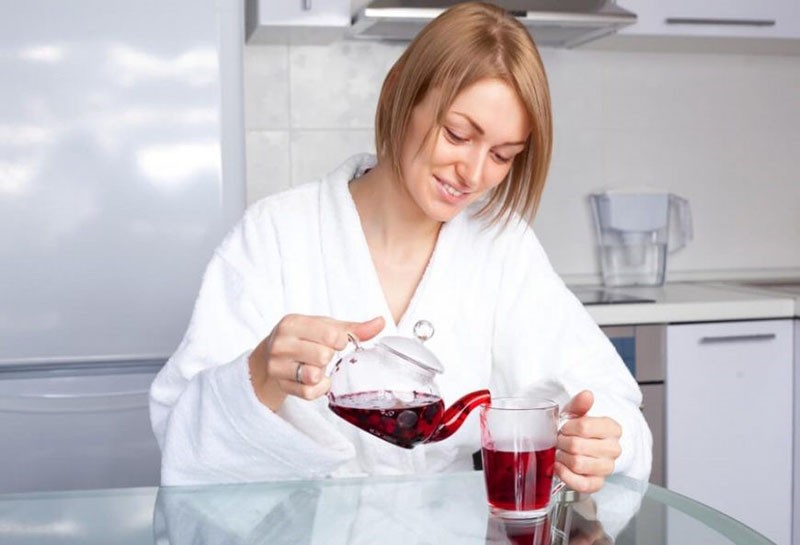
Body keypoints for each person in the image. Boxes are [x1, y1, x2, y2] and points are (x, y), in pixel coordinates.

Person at [149, 1, 652, 491]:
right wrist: (261, 370)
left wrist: (604, 441)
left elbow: (612, 403)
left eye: (502, 155)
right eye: (457, 135)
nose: (474, 175)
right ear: (398, 95)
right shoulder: (277, 233)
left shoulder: (502, 247)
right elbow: (181, 437)